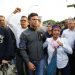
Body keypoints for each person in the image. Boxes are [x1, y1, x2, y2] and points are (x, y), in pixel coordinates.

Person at [7, 8, 28, 75]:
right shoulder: (17, 28)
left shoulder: (31, 30)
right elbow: (8, 21)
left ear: (28, 22)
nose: (23, 22)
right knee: (19, 68)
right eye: (21, 20)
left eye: (24, 20)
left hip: (28, 51)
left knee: (28, 69)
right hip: (19, 51)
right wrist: (14, 12)